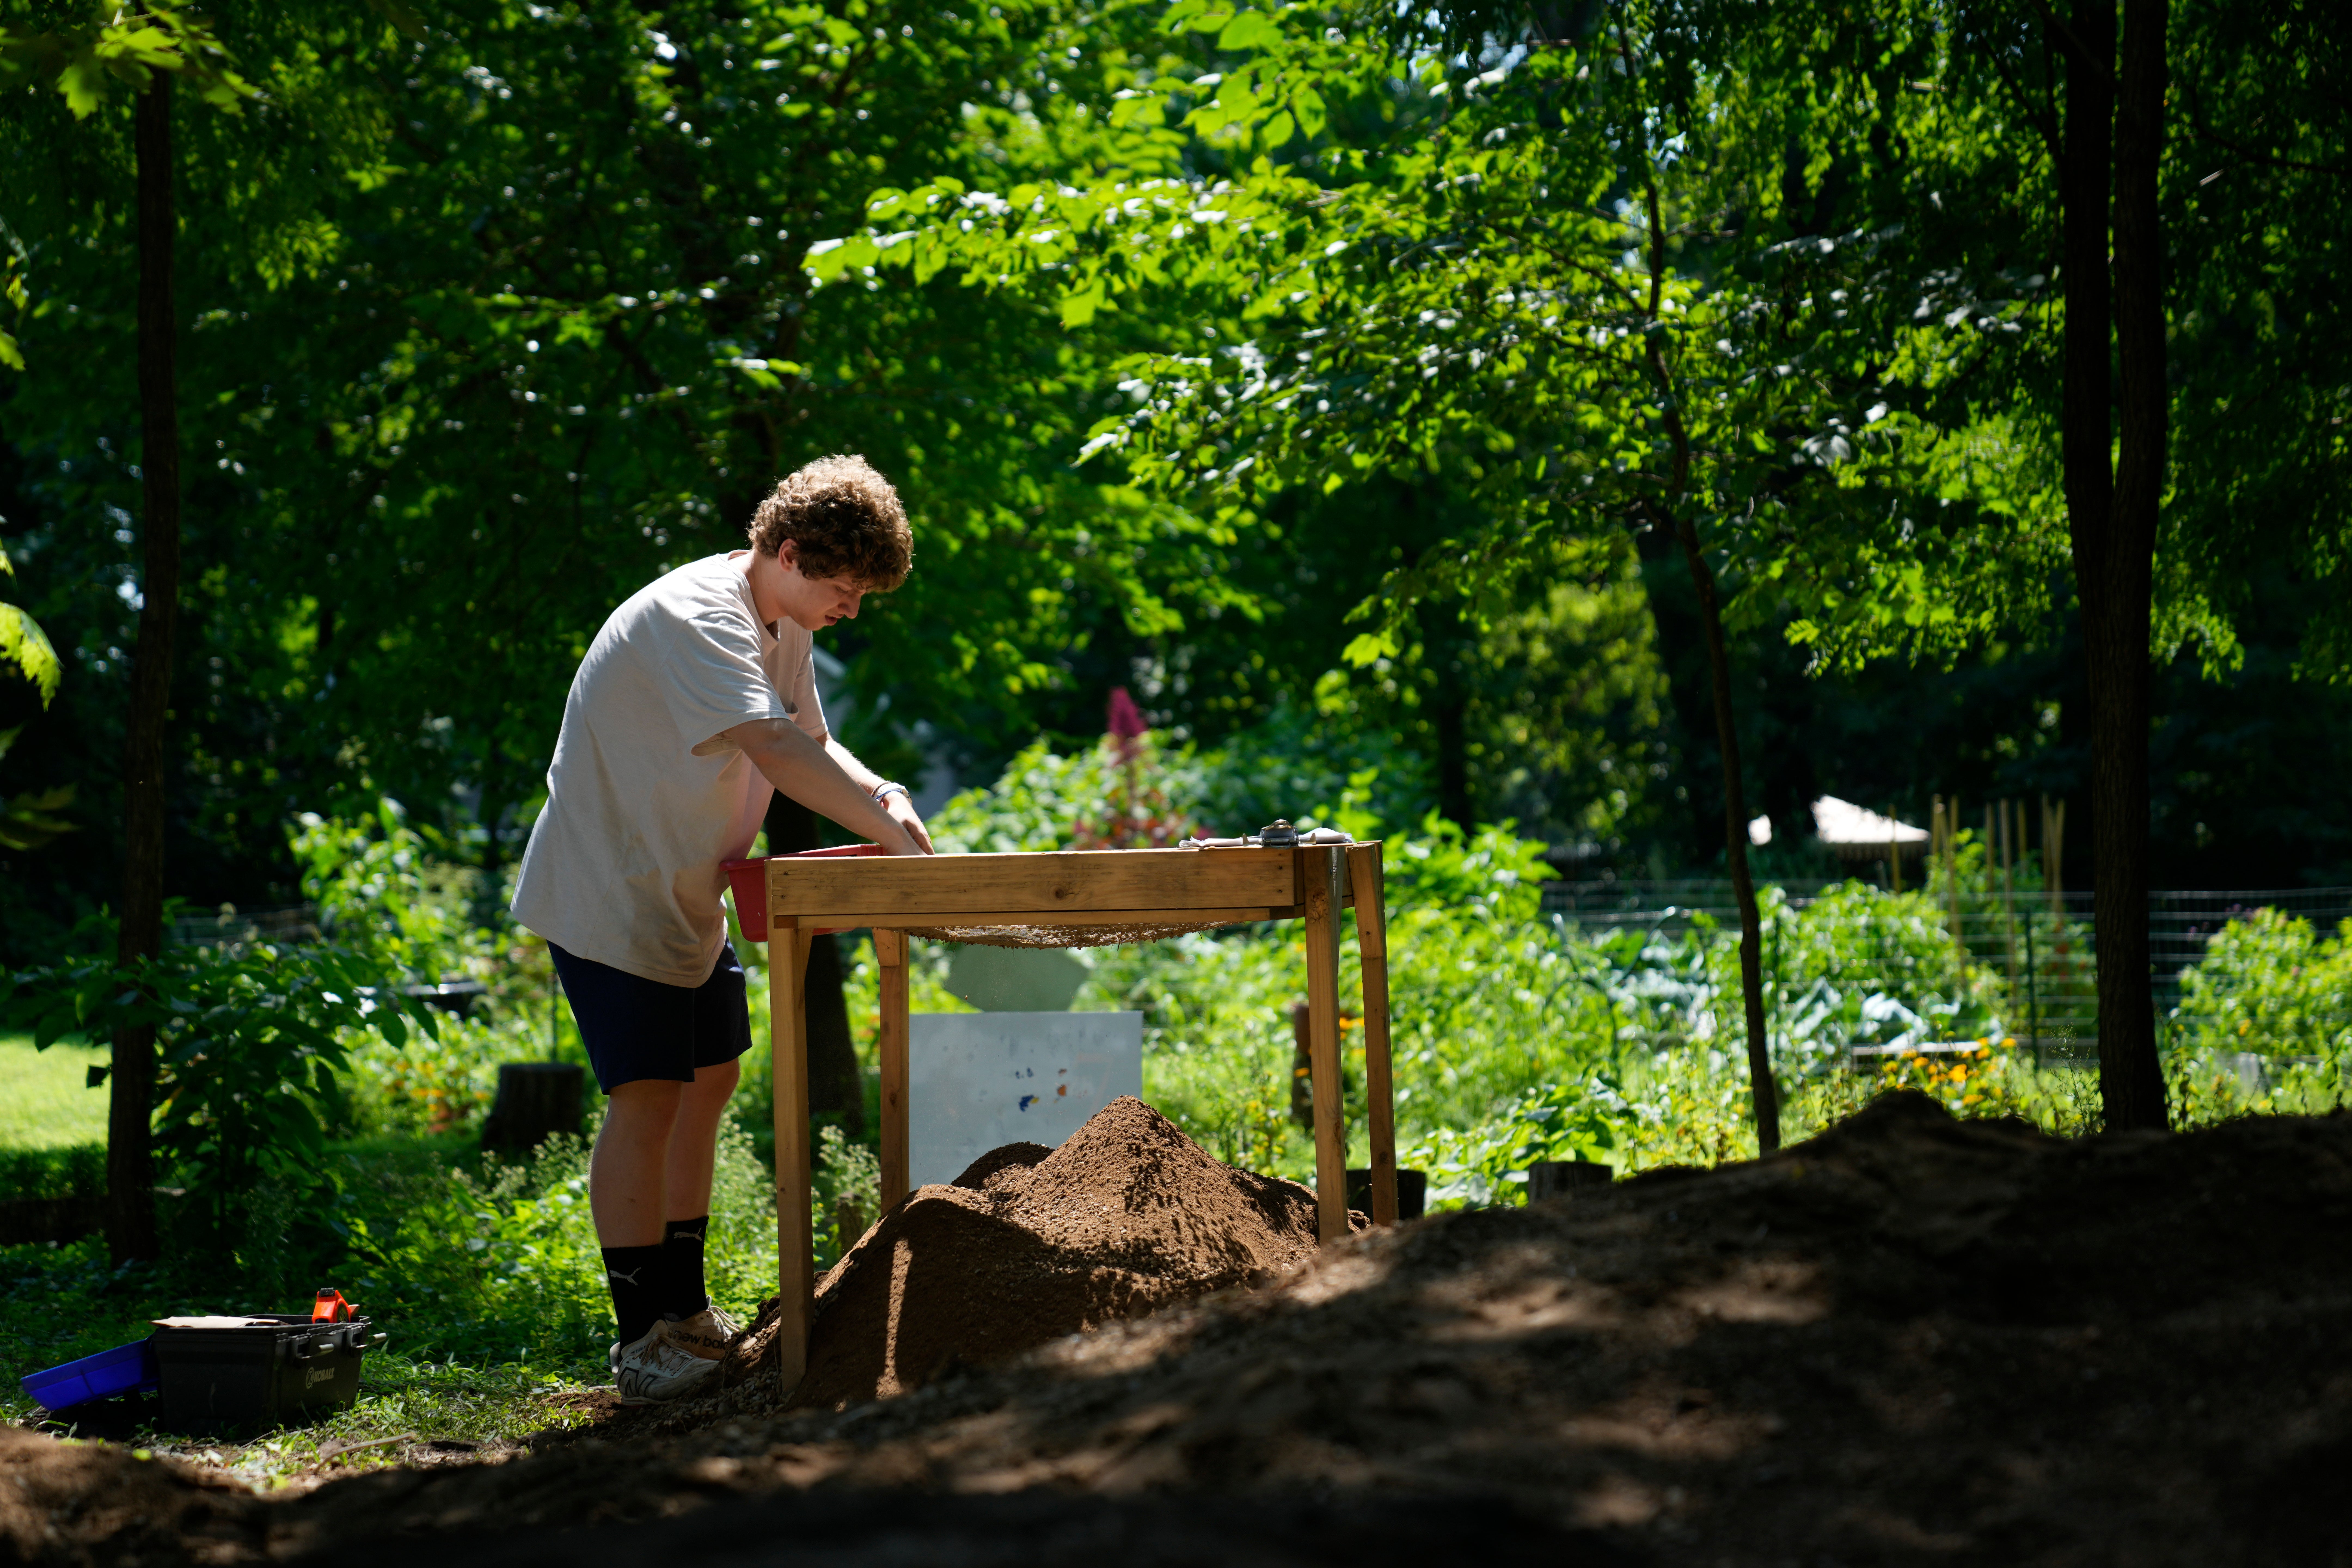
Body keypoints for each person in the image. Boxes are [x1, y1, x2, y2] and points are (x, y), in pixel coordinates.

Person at [510, 454, 933, 1405]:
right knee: (649, 1097)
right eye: (843, 589)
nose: (851, 610)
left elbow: (814, 740)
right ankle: (639, 1342)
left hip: (690, 894)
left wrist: (885, 795)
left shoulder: (779, 619)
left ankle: (685, 1309)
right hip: (612, 892)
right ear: (786, 552)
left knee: (710, 1082)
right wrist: (886, 835)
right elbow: (776, 750)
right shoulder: (696, 617)